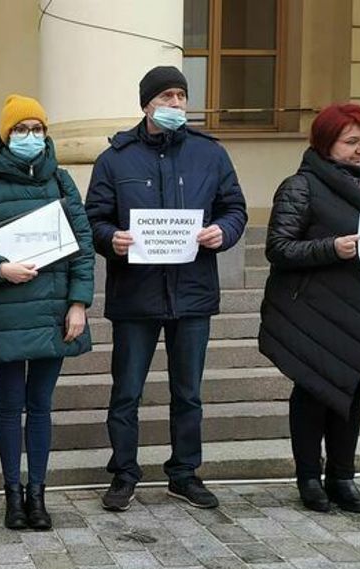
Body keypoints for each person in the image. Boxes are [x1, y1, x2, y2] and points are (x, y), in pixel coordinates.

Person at [85, 66, 247, 512]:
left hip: (192, 291)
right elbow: (94, 218)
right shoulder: (115, 158)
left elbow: (234, 207)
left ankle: (184, 473)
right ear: (147, 104)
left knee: (188, 392)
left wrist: (223, 231)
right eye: (166, 96)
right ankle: (124, 473)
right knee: (127, 391)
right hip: (135, 293)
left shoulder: (209, 154)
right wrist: (110, 239)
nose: (176, 104)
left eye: (181, 96)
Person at [259, 103, 360, 513]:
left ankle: (342, 475)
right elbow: (278, 248)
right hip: (315, 311)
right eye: (351, 141)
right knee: (314, 391)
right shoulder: (300, 187)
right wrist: (331, 248)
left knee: (352, 392)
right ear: (325, 143)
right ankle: (309, 478)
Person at [0, 95, 95, 530]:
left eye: (37, 129)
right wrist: (0, 267)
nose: (30, 137)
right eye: (21, 129)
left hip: (54, 307)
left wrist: (79, 302)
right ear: (6, 134)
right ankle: (11, 495)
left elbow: (83, 244)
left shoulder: (60, 180)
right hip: (7, 307)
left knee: (40, 406)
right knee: (9, 406)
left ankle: (37, 494)